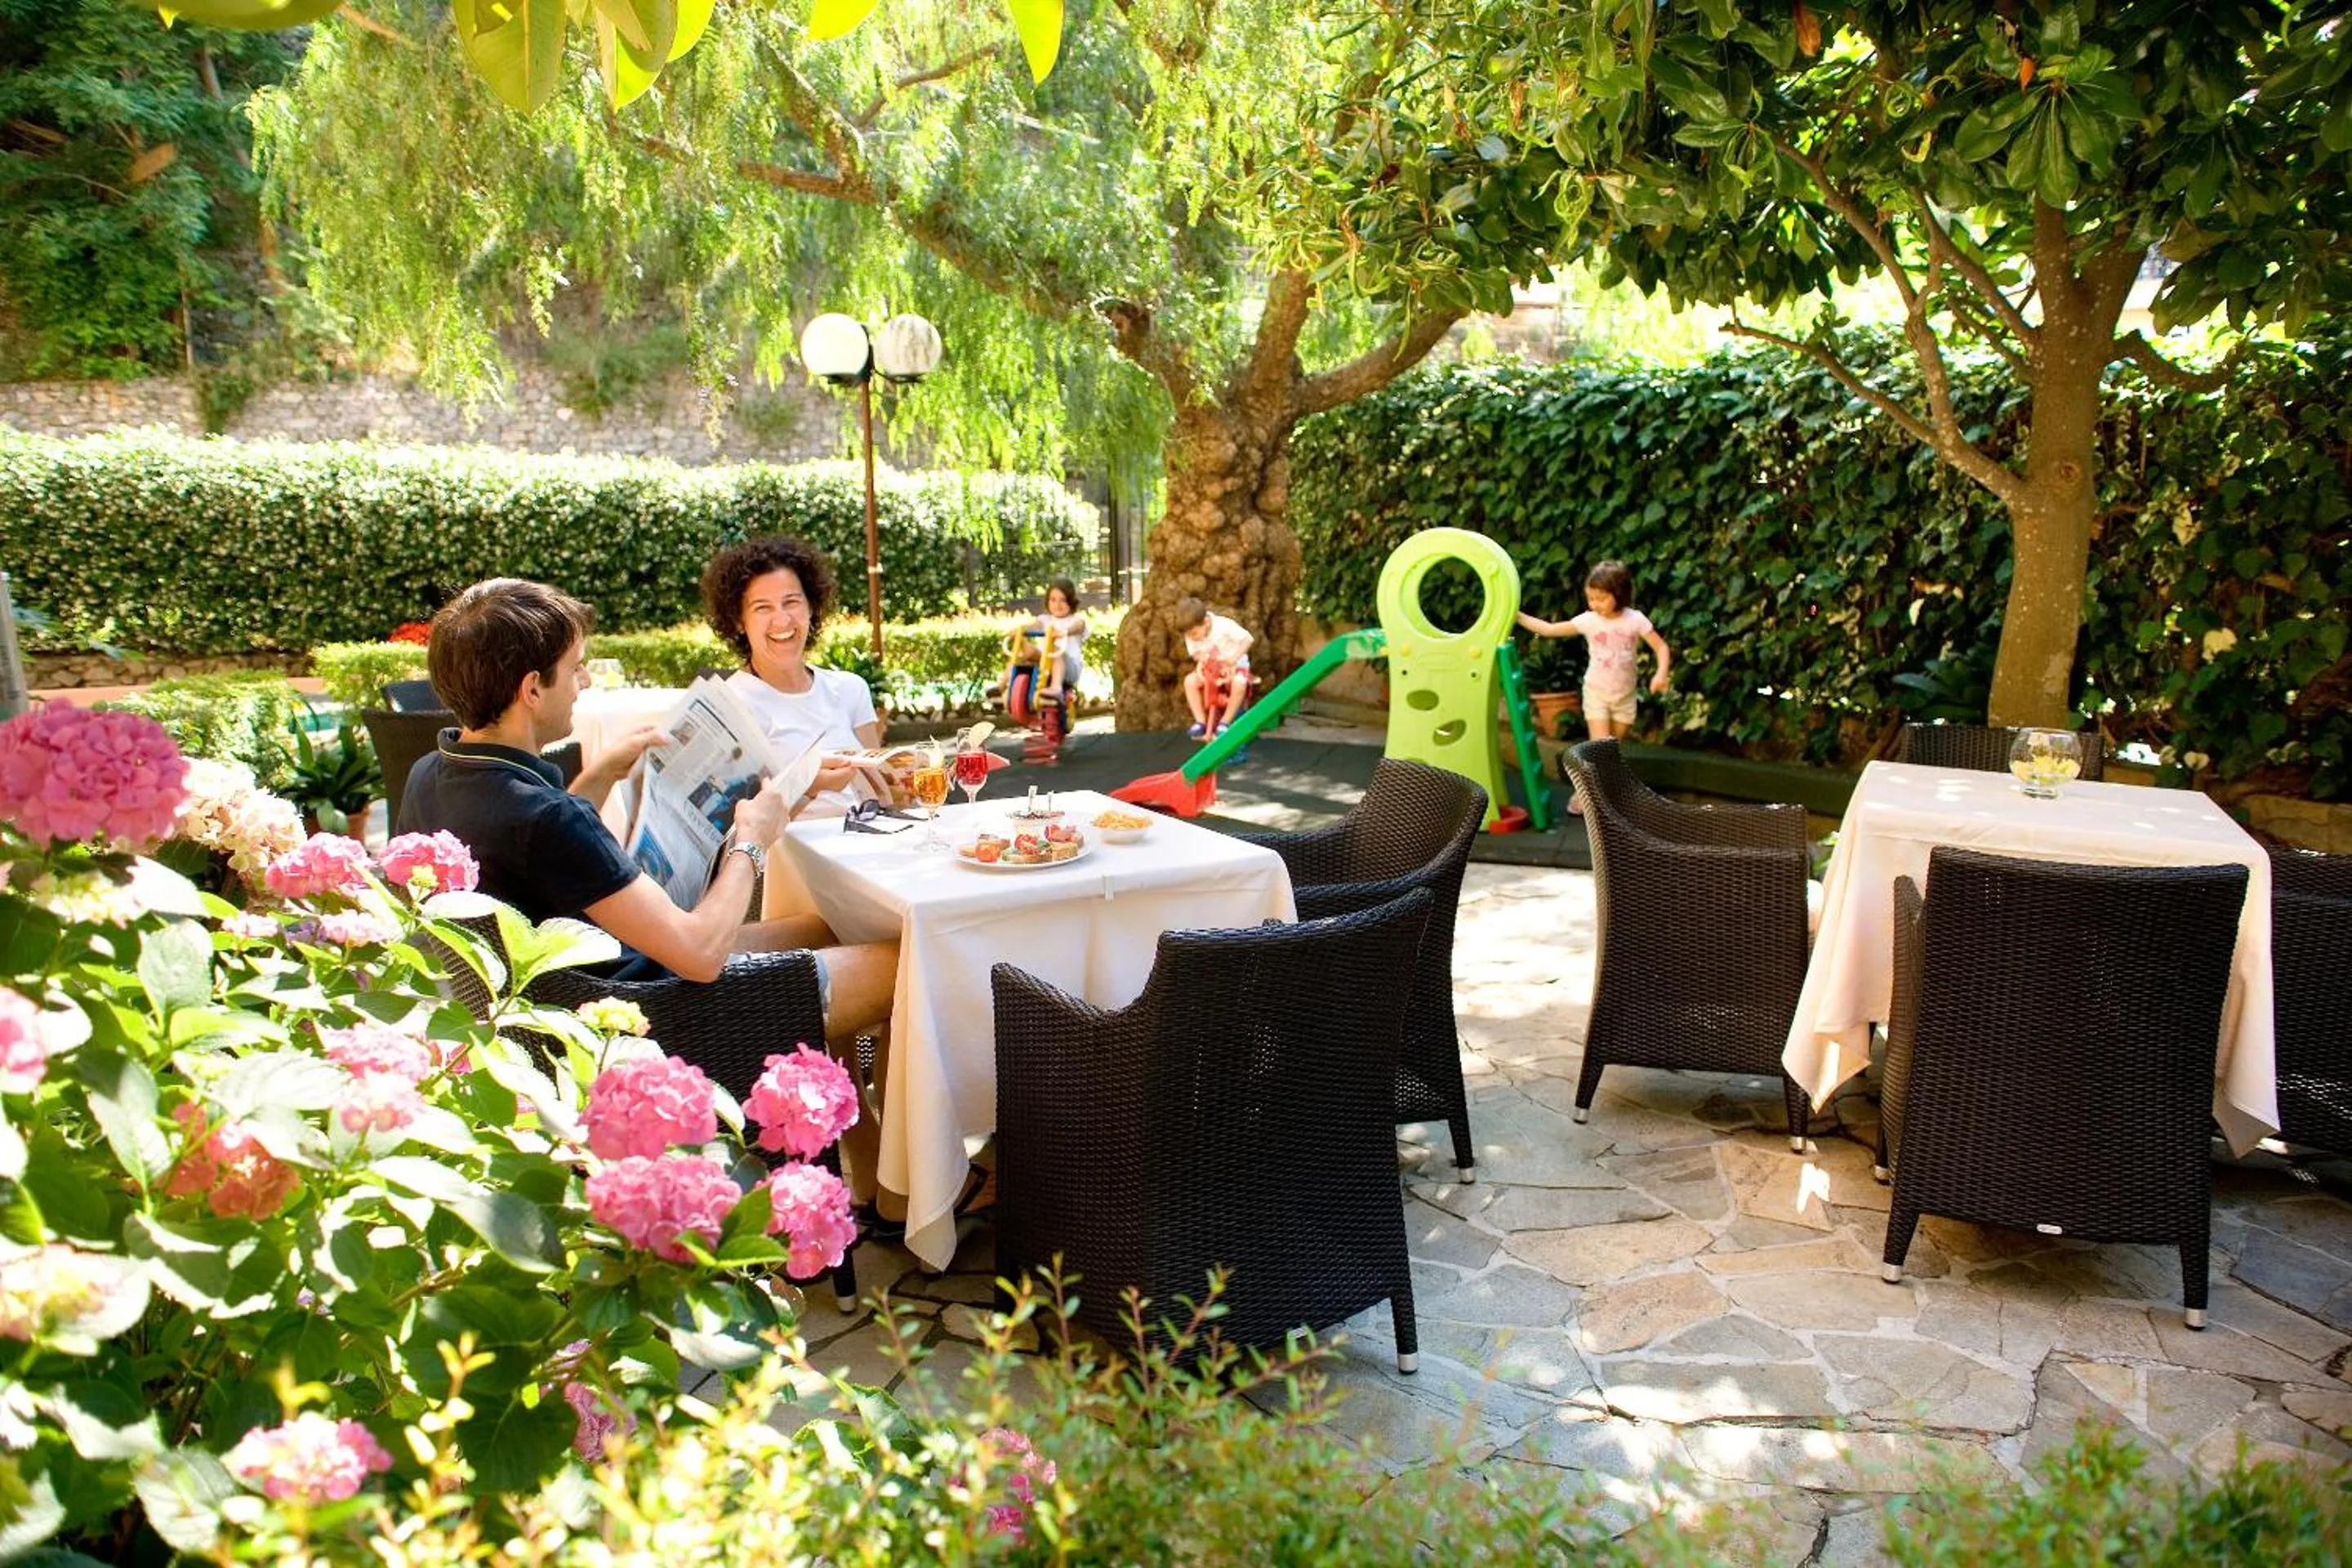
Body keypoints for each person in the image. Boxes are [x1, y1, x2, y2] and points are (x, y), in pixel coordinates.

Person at [396, 577, 903, 1208]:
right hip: (660, 1015)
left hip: (575, 994)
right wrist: (750, 839)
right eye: (574, 670)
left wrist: (601, 776)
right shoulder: (547, 820)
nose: (583, 685)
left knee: (834, 927)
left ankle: (873, 1157)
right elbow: (699, 953)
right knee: (902, 962)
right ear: (532, 689)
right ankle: (913, 1185)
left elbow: (538, 861)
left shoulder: (436, 775)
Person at [702, 537, 885, 817]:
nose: (783, 620)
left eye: (792, 602)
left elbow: (883, 795)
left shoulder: (850, 689)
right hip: (786, 859)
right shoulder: (730, 705)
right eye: (763, 608)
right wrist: (806, 786)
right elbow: (734, 828)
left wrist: (902, 787)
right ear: (739, 621)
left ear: (811, 607)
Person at [1517, 560, 1673, 811]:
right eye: (1591, 598)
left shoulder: (1635, 620)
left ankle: (1605, 794)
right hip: (1596, 693)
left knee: (1611, 751)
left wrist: (1661, 674)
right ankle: (1587, 798)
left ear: (1619, 595)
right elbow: (1549, 629)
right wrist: (1517, 614)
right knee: (1598, 748)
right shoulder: (1590, 621)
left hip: (1625, 696)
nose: (1594, 604)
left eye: (1601, 598)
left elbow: (1661, 647)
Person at [1177, 596, 1253, 739]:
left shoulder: (1224, 626)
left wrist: (1233, 659)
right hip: (1211, 669)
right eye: (1188, 635)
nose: (1192, 638)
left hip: (1234, 666)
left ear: (1206, 622)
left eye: (1194, 634)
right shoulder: (1190, 632)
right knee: (1189, 682)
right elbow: (1195, 654)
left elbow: (1248, 639)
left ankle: (1225, 722)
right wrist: (1203, 658)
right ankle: (1200, 722)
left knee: (1239, 683)